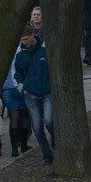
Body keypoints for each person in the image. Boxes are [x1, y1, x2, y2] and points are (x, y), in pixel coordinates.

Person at [12, 29, 54, 164]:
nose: (23, 42)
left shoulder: (44, 49)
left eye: (25, 39)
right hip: (30, 94)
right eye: (21, 40)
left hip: (47, 91)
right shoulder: (20, 55)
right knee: (37, 127)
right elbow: (16, 73)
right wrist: (22, 88)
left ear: (32, 36)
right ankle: (47, 154)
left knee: (48, 120)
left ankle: (55, 141)